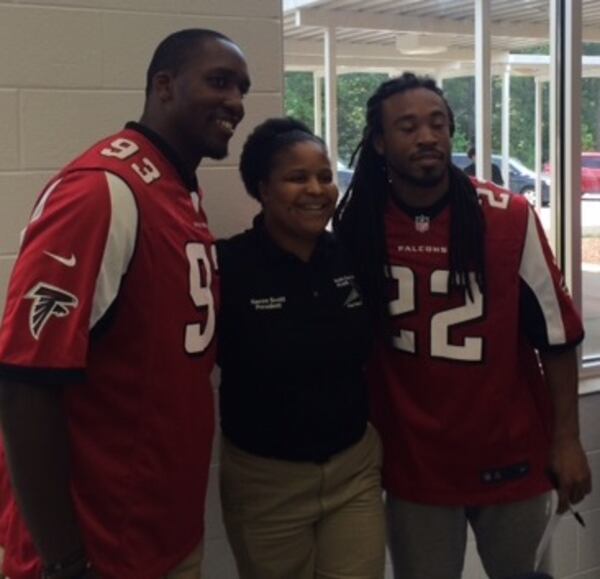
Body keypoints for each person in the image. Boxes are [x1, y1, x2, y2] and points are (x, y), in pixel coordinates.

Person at [0, 28, 250, 579]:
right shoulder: (101, 191)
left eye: (242, 88)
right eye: (219, 81)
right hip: (98, 549)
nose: (235, 101)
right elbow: (23, 384)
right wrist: (64, 562)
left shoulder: (175, 186)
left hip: (160, 531)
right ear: (164, 85)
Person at [334, 73, 591, 579]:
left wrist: (567, 440)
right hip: (415, 459)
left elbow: (557, 339)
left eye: (437, 124)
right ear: (380, 143)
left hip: (509, 448)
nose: (427, 137)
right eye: (407, 127)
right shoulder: (360, 221)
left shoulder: (510, 216)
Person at [217, 117, 385, 579]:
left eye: (325, 176)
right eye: (297, 178)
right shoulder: (227, 266)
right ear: (262, 188)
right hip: (266, 482)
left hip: (354, 470)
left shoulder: (350, 254)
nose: (317, 189)